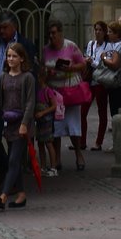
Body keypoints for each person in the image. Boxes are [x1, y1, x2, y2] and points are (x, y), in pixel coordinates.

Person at [0, 41, 36, 209]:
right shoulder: (2, 77)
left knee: (13, 160)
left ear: (22, 58)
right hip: (8, 123)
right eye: (9, 56)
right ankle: (21, 194)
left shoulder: (28, 77)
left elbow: (30, 103)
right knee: (14, 161)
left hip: (23, 124)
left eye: (14, 56)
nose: (11, 59)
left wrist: (24, 124)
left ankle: (3, 195)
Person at [42, 19, 88, 170]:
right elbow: (43, 70)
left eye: (54, 33)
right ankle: (57, 159)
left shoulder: (70, 46)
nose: (52, 36)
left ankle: (78, 155)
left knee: (73, 125)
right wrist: (48, 73)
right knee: (56, 126)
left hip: (70, 90)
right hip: (55, 91)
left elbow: (82, 63)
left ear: (60, 32)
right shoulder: (46, 49)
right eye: (49, 33)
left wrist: (69, 68)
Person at [83, 17, 111, 152]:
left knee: (102, 111)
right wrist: (89, 60)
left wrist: (92, 62)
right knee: (83, 110)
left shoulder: (108, 46)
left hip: (100, 81)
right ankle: (81, 141)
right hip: (90, 80)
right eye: (96, 30)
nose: (98, 32)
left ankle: (98, 142)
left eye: (100, 30)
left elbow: (104, 64)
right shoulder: (91, 44)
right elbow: (88, 57)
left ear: (105, 32)